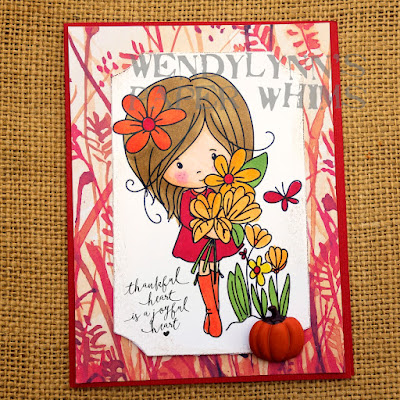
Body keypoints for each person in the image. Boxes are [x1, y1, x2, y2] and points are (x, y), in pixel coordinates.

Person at [114, 73, 255, 337]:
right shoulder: (188, 197)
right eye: (179, 163)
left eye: (214, 155)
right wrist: (211, 228)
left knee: (218, 268)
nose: (199, 170)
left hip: (219, 233)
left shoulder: (224, 186)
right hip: (199, 236)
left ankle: (218, 310)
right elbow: (190, 218)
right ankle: (211, 311)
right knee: (206, 268)